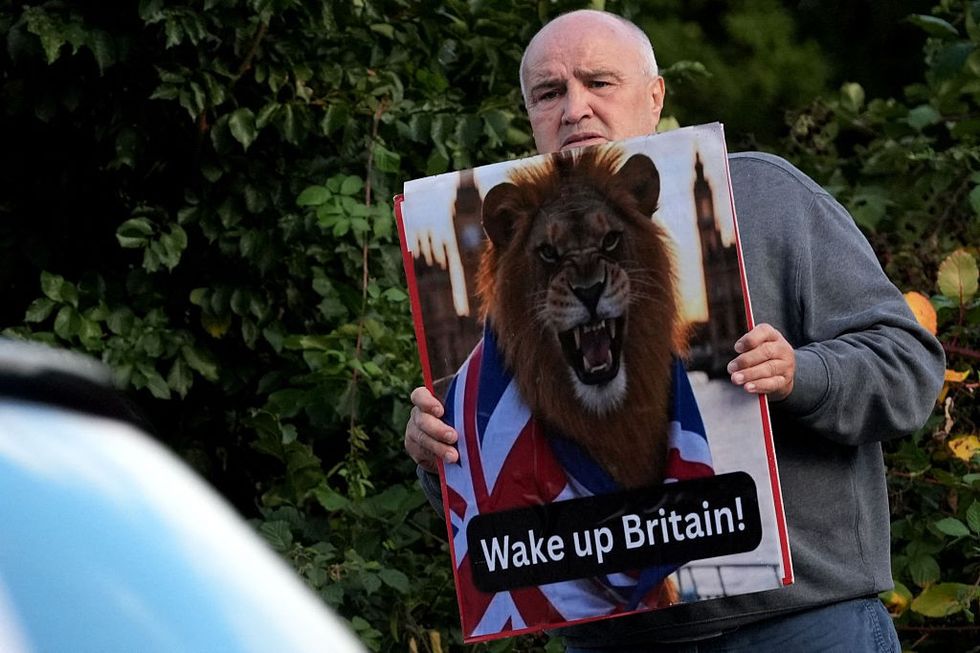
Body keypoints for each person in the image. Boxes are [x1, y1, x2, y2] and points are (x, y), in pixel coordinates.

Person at [404, 9, 945, 652]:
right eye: (549, 93)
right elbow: (497, 492)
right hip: (620, 637)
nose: (575, 109)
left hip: (798, 625)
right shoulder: (502, 263)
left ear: (654, 95)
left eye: (599, 82)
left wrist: (803, 374)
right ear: (530, 115)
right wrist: (434, 449)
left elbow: (909, 365)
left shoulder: (762, 194)